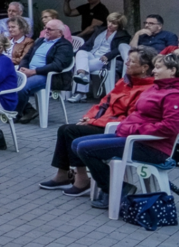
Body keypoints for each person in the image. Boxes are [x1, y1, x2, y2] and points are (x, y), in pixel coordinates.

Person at [37, 47, 157, 196]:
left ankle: (81, 179)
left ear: (145, 67)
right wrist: (89, 117)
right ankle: (64, 174)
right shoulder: (125, 82)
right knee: (66, 129)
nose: (126, 63)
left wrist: (95, 122)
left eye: (131, 61)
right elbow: (103, 103)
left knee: (70, 131)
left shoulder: (146, 90)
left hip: (116, 128)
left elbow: (129, 118)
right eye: (127, 59)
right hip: (103, 122)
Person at [74, 52, 179, 210]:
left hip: (151, 146)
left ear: (172, 71)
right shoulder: (156, 88)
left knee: (85, 149)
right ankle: (114, 186)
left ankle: (116, 189)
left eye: (158, 68)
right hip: (133, 138)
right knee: (77, 143)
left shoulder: (173, 95)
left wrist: (134, 129)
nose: (154, 71)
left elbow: (170, 127)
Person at [15, 19, 76, 124]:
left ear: (60, 32)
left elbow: (57, 65)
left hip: (48, 76)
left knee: (22, 87)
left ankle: (16, 113)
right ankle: (28, 110)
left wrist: (34, 71)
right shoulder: (40, 41)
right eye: (45, 28)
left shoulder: (64, 46)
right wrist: (23, 68)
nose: (46, 31)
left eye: (50, 29)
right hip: (29, 71)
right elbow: (27, 57)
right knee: (4, 81)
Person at [70, 12, 130, 102]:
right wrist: (77, 53)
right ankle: (82, 74)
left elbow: (119, 49)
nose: (110, 25)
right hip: (92, 54)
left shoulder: (123, 35)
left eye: (114, 23)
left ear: (119, 25)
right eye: (109, 21)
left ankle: (81, 93)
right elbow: (88, 44)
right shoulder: (100, 30)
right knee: (81, 52)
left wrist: (108, 55)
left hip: (105, 59)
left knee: (81, 65)